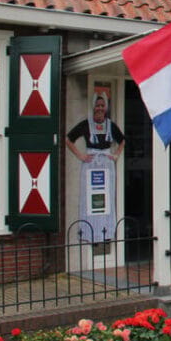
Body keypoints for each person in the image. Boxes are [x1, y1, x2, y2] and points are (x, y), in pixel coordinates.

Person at [66, 93, 125, 242]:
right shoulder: (86, 124)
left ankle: (105, 232)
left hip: (105, 164)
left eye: (102, 106)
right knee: (90, 197)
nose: (99, 108)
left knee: (106, 197)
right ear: (93, 107)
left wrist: (116, 155)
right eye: (97, 106)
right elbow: (68, 139)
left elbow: (122, 140)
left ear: (106, 108)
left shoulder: (110, 125)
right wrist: (81, 156)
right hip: (91, 164)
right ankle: (89, 232)